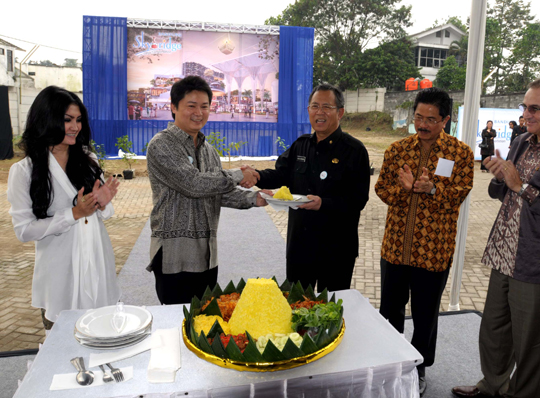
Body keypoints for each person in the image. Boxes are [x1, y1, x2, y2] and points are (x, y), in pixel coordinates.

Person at [452, 77, 540, 398]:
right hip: (503, 251)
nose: (526, 114)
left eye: (534, 108)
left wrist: (521, 186)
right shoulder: (522, 142)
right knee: (494, 330)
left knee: (532, 342)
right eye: (524, 107)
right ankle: (492, 385)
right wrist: (500, 175)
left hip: (538, 261)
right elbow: (503, 192)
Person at [376, 87, 474, 396]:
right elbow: (382, 190)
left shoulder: (460, 154)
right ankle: (391, 364)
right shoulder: (397, 150)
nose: (423, 125)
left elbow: (458, 195)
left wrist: (431, 189)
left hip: (433, 253)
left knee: (425, 316)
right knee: (390, 312)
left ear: (446, 120)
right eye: (418, 116)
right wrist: (406, 190)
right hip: (395, 248)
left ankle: (418, 369)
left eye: (431, 119)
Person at [146, 76, 268, 305]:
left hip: (207, 253)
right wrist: (239, 174)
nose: (198, 112)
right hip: (175, 254)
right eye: (191, 106)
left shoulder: (209, 150)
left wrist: (256, 198)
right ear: (173, 107)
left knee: (204, 320)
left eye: (204, 106)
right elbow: (194, 184)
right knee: (177, 321)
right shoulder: (161, 145)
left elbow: (216, 191)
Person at [7, 86, 121, 330]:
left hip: (97, 262)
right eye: (67, 119)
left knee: (104, 336)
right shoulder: (24, 172)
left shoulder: (88, 160)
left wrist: (101, 203)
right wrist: (74, 214)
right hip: (60, 274)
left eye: (79, 120)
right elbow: (24, 231)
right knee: (62, 349)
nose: (75, 127)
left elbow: (101, 216)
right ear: (46, 118)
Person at [256, 83, 370, 292]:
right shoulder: (301, 145)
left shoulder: (354, 151)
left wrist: (323, 204)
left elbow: (358, 200)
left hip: (336, 250)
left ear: (340, 112)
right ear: (308, 110)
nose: (320, 112)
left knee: (331, 311)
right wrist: (257, 176)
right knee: (297, 307)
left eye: (326, 107)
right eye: (314, 106)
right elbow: (281, 174)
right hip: (300, 246)